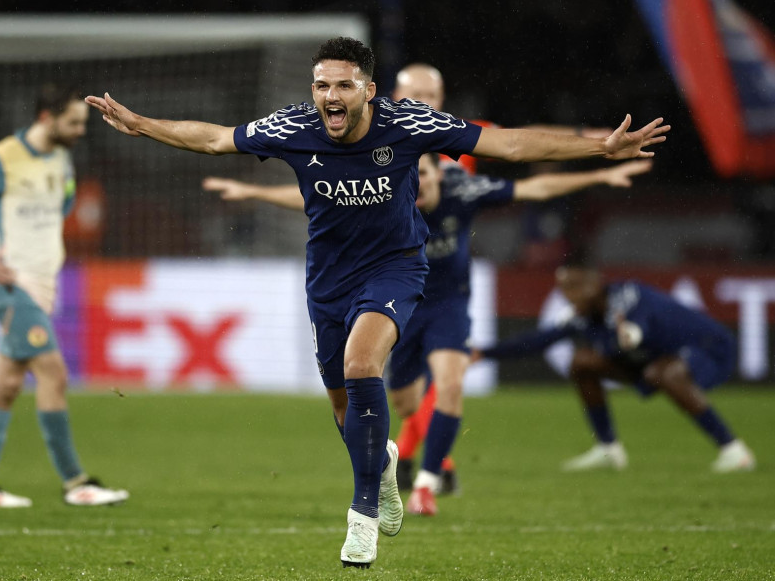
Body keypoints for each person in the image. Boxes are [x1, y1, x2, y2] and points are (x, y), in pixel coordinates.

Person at [86, 36, 669, 567]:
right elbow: (214, 138)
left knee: (362, 366)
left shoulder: (409, 123)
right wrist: (142, 124)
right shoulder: (294, 127)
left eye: (342, 85)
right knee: (344, 408)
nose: (329, 96)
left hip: (394, 269)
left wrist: (600, 147)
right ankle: (381, 467)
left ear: (368, 90)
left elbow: (509, 144)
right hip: (328, 282)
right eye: (321, 85)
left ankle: (362, 515)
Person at [204, 154, 652, 516]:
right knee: (404, 403)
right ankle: (421, 461)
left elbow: (535, 187)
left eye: (423, 175)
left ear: (442, 174)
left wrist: (600, 173)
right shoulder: (389, 194)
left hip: (448, 307)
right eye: (410, 177)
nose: (415, 184)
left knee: (451, 382)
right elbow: (315, 196)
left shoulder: (464, 190)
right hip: (399, 306)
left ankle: (427, 483)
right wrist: (257, 192)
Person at [0, 83, 129, 508]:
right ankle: (76, 483)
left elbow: (63, 202)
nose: (81, 130)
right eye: (74, 122)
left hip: (42, 283)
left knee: (5, 385)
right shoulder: (3, 158)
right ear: (47, 118)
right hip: (11, 284)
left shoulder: (61, 158)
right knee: (53, 374)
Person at [472, 264, 756, 473]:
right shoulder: (583, 315)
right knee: (583, 362)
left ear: (594, 284)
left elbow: (637, 328)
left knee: (665, 373)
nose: (568, 295)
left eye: (574, 286)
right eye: (563, 289)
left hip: (710, 347)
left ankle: (734, 451)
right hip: (653, 360)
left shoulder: (629, 297)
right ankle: (608, 449)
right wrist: (483, 353)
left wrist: (629, 336)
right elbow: (537, 341)